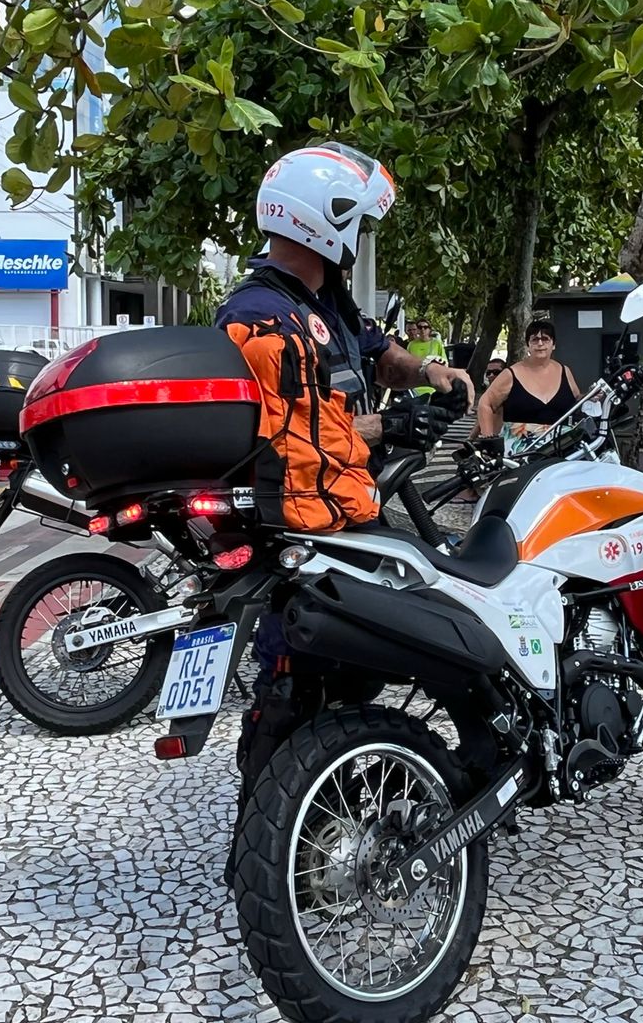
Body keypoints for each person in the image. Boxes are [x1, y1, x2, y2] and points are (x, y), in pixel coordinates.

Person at [215, 142, 474, 876]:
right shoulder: (260, 320)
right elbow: (288, 435)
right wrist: (390, 426)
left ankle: (324, 792)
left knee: (347, 666)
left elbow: (373, 351)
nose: (362, 237)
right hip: (309, 519)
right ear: (328, 223)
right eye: (358, 224)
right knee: (316, 668)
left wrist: (427, 371)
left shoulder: (317, 302)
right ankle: (267, 844)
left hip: (340, 505)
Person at [475, 318, 581, 455]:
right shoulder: (511, 374)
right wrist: (488, 440)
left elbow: (578, 400)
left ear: (554, 344)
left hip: (561, 448)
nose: (540, 344)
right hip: (518, 450)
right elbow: (485, 403)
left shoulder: (565, 371)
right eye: (534, 339)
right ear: (528, 345)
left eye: (545, 339)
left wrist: (594, 396)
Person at [405, 317, 448, 396]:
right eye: (420, 327)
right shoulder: (411, 345)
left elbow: (444, 363)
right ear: (417, 330)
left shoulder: (436, 343)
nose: (423, 330)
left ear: (429, 329)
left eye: (425, 327)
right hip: (415, 386)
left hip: (432, 384)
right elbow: (407, 364)